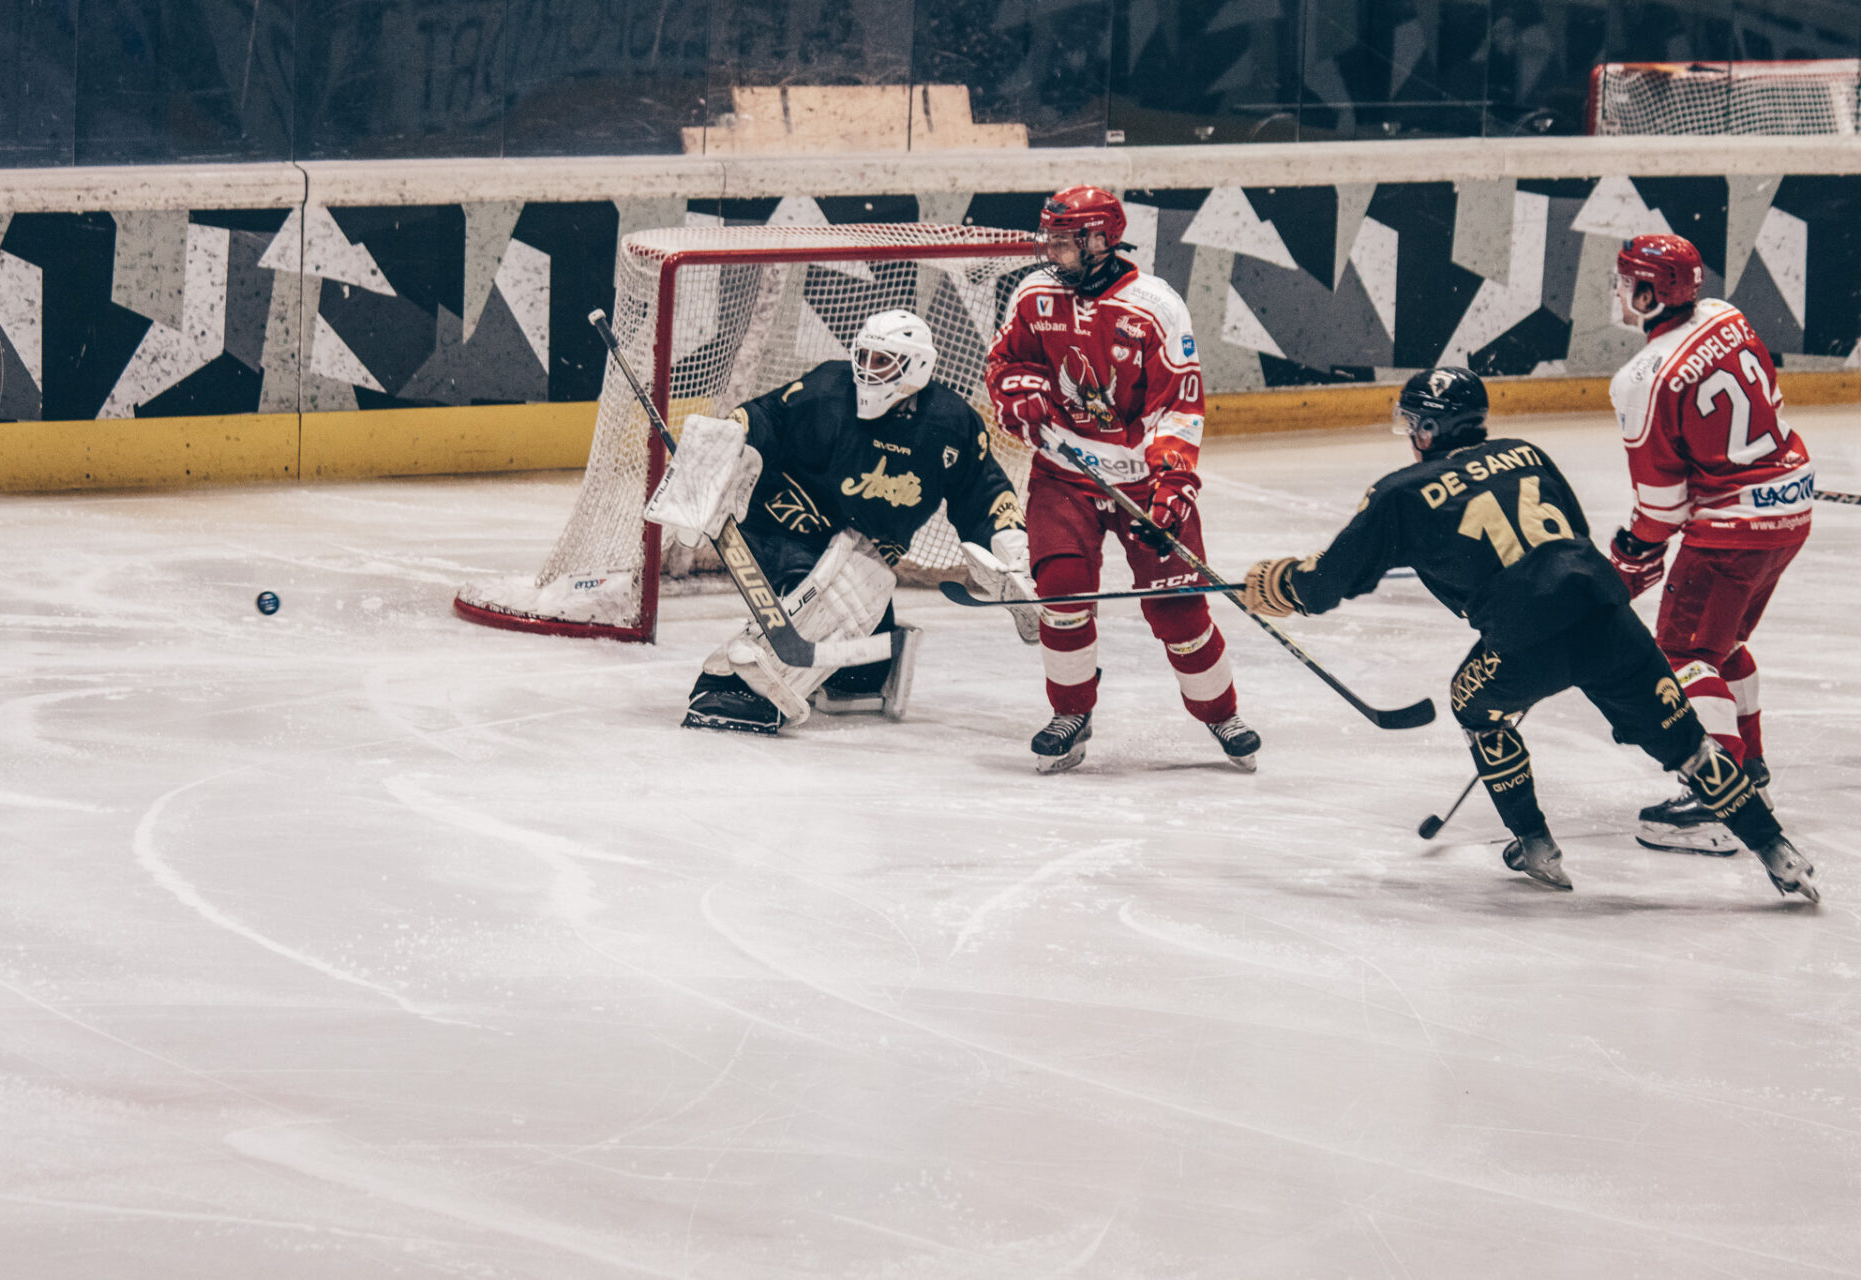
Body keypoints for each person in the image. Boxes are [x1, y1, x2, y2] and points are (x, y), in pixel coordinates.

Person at [1238, 366, 1818, 903]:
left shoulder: (1401, 493)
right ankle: (1779, 852)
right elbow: (1571, 535)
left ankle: (1536, 844)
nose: (1410, 432)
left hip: (1523, 642)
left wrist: (1283, 586)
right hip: (1605, 616)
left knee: (1474, 707)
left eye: (1413, 422)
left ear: (1429, 428)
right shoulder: (1526, 453)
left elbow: (1329, 581)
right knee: (1690, 746)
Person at [645, 309, 1036, 735]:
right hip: (784, 523)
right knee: (819, 593)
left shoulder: (951, 424)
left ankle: (847, 666)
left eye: (881, 361)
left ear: (918, 365)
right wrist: (719, 451)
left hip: (862, 552)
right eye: (863, 356)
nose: (866, 370)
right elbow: (765, 417)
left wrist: (1011, 550)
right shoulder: (827, 391)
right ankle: (731, 686)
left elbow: (984, 493)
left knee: (860, 672)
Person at [983, 185, 1258, 774]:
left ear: (1101, 239)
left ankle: (1220, 713)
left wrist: (1171, 487)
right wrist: (1016, 395)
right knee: (1062, 595)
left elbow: (1178, 406)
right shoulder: (1033, 294)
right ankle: (1070, 713)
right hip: (1064, 473)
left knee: (1180, 614)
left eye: (1065, 240)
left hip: (1141, 484)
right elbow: (1006, 362)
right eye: (1050, 238)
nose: (1051, 250)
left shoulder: (1155, 306)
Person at [1607, 233, 1814, 852]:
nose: (1617, 290)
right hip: (1790, 508)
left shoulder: (1642, 378)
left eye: (1625, 281)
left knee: (1682, 654)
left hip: (1733, 530)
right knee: (1723, 647)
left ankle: (1717, 805)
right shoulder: (1727, 315)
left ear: (1649, 293)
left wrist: (1631, 552)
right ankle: (1750, 776)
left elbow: (1661, 509)